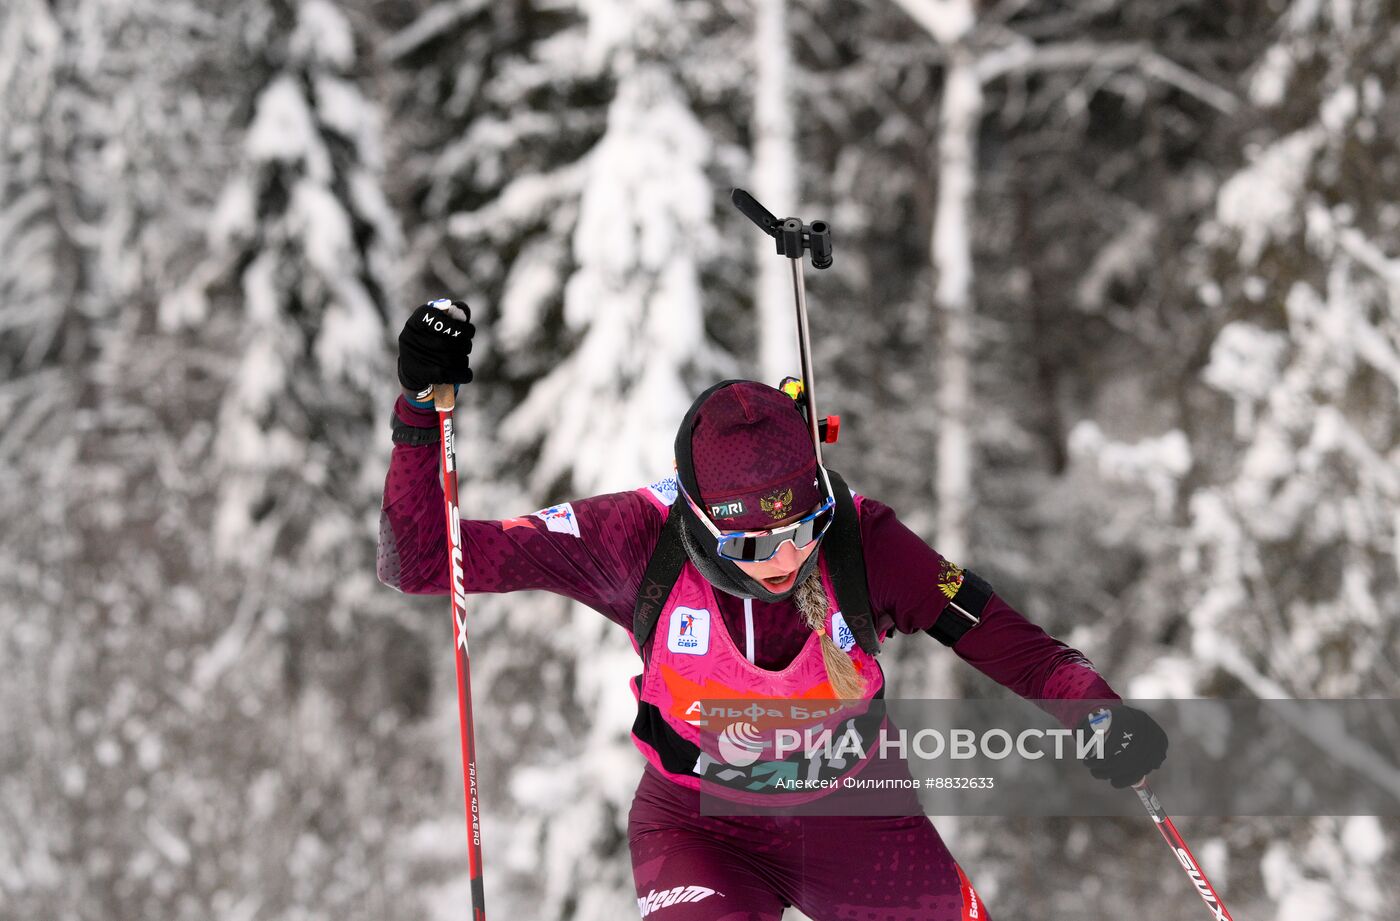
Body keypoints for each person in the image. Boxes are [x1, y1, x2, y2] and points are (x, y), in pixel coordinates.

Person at [378, 301, 1168, 920]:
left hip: (861, 822)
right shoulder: (631, 537)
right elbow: (421, 562)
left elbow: (1012, 643)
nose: (786, 559)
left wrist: (1093, 710)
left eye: (801, 530)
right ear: (697, 517)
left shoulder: (864, 539)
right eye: (754, 546)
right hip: (698, 828)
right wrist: (420, 412)